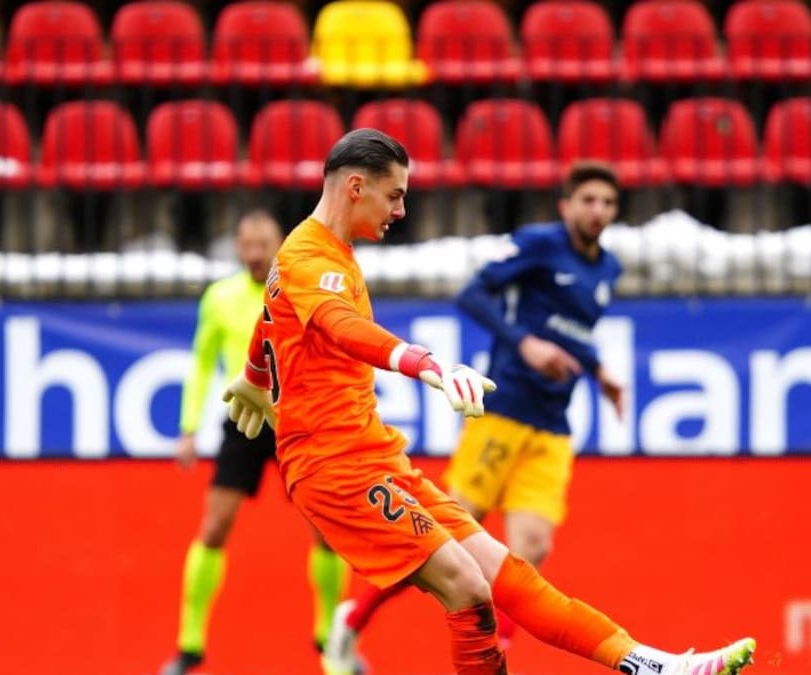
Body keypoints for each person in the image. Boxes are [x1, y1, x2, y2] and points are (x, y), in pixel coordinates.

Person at [221, 128, 756, 675]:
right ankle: (351, 623)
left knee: (509, 574)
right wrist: (425, 363)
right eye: (396, 194)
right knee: (467, 585)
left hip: (378, 457)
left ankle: (650, 663)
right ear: (356, 187)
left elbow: (273, 316)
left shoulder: (315, 254)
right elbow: (342, 327)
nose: (402, 210)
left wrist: (254, 377)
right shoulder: (314, 257)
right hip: (334, 470)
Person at [324, 161, 627, 663]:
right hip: (504, 408)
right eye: (589, 200)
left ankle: (499, 652)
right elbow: (472, 295)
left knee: (531, 546)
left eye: (608, 203)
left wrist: (598, 371)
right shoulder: (537, 245)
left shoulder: (607, 269)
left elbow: (572, 331)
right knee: (443, 538)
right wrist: (523, 344)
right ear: (567, 205)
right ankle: (352, 621)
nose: (598, 211)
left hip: (553, 422)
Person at [160, 211, 353, 675]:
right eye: (245, 245)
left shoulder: (302, 288)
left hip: (298, 420)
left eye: (261, 244)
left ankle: (330, 640)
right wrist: (188, 428)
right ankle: (190, 644)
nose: (252, 254)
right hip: (244, 419)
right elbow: (202, 363)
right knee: (214, 526)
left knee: (325, 530)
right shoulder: (220, 297)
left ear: (278, 244)